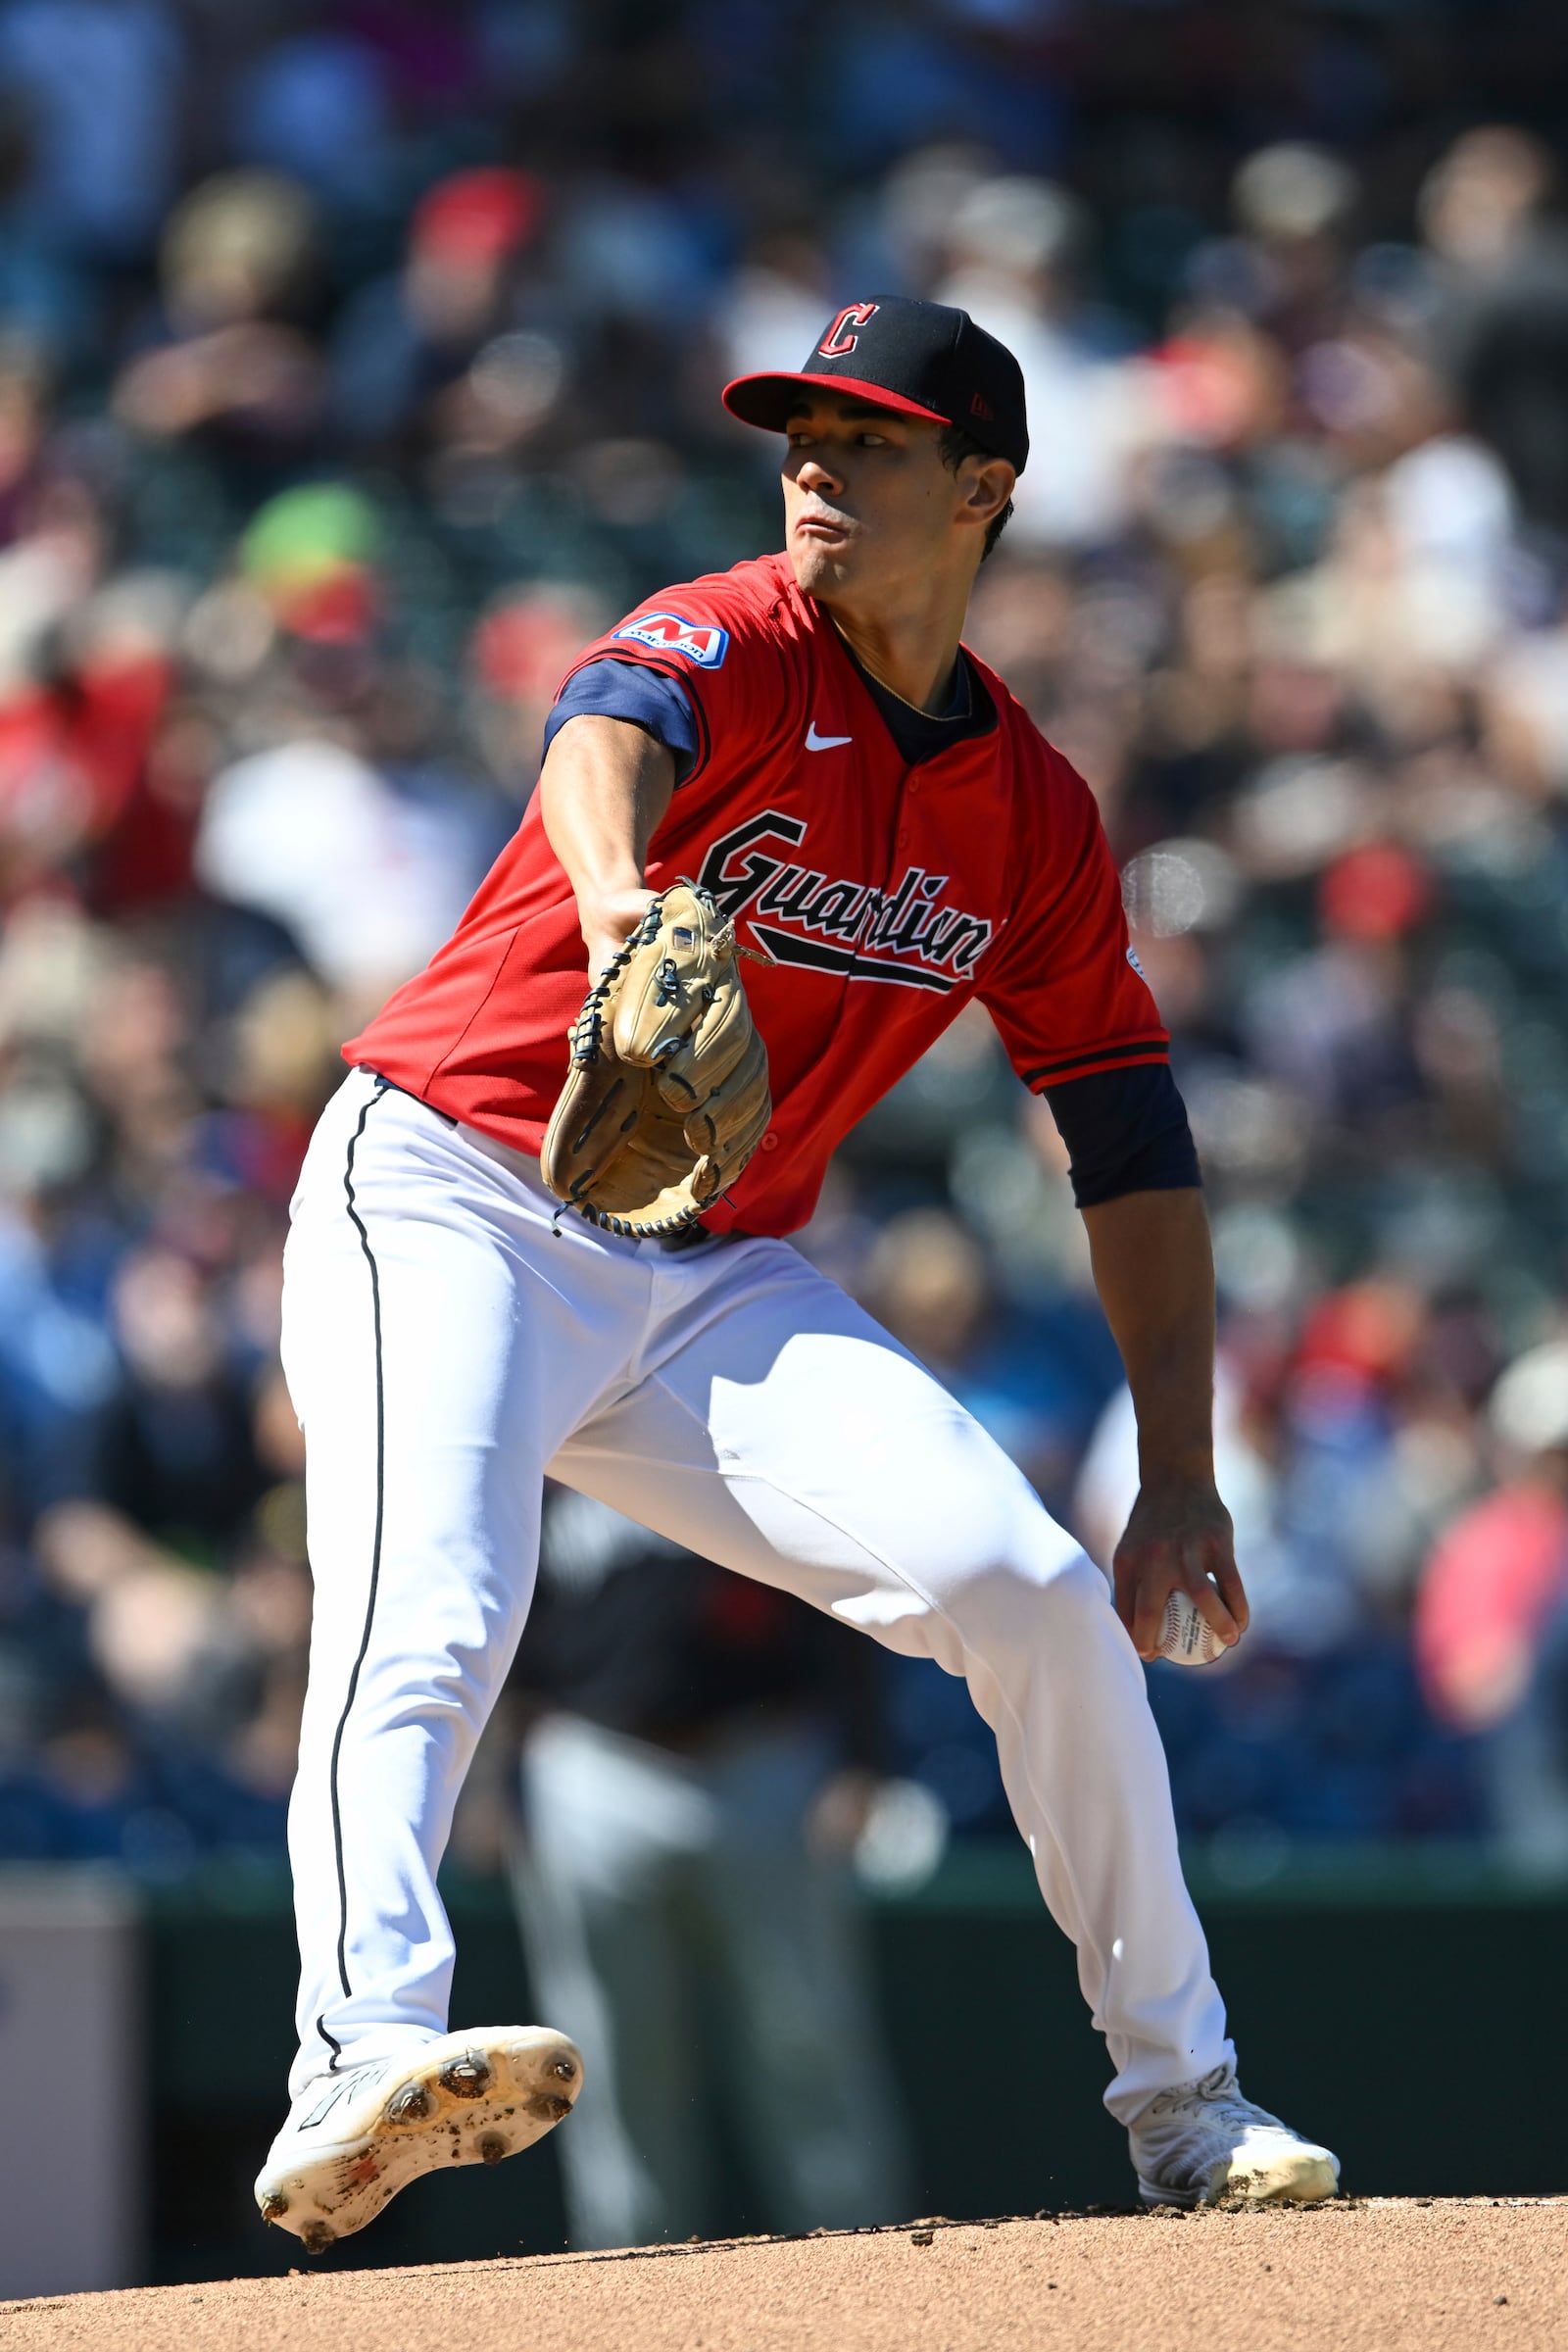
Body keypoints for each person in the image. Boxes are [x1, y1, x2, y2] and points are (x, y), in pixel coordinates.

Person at [255, 296, 1339, 2251]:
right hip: (448, 1190)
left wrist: (1171, 1466)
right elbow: (604, 728)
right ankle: (357, 2052)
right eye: (800, 439)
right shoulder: (738, 630)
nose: (818, 473)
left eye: (871, 443)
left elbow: (1124, 1134)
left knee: (1027, 1591)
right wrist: (616, 913)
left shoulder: (1028, 812)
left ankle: (1186, 2104)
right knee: (432, 1602)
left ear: (985, 487)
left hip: (704, 1267)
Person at [507, 1485, 910, 2248]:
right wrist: (498, 1782)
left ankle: (866, 2269)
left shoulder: (748, 1427)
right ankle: (629, 2282)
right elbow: (497, 1618)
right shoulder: (548, 1432)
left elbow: (844, 1598)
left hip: (763, 1756)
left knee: (807, 2037)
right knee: (612, 2059)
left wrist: (862, 1756)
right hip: (594, 1762)